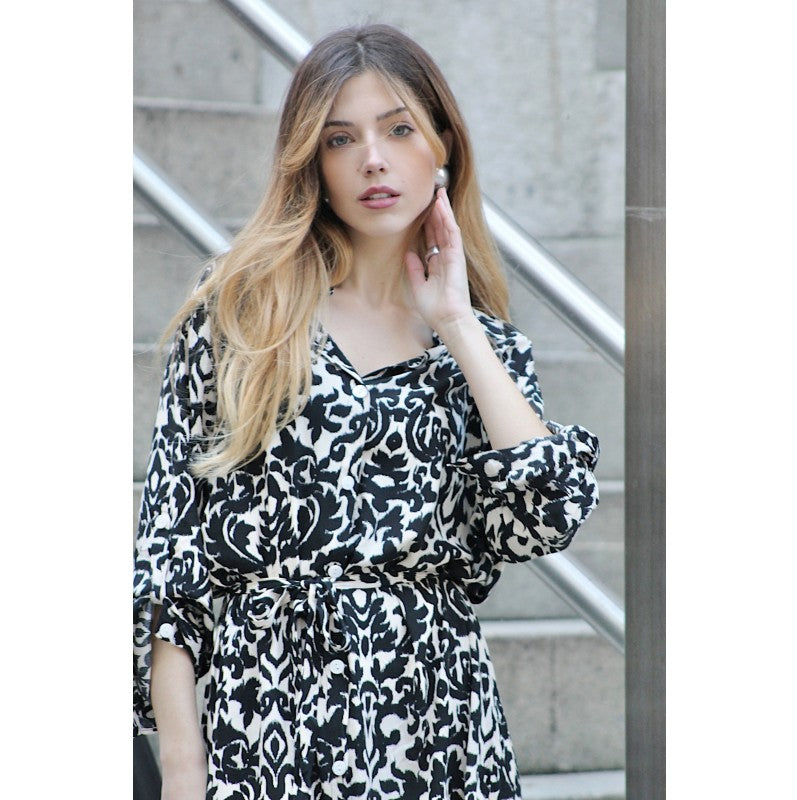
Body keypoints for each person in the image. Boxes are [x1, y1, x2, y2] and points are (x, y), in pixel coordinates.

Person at [133, 23, 600, 800]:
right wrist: (183, 768)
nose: (373, 159)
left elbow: (546, 516)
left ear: (443, 145)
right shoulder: (242, 317)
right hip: (272, 720)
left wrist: (456, 323)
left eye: (399, 129)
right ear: (312, 162)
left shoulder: (480, 350)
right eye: (341, 139)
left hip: (441, 727)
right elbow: (170, 560)